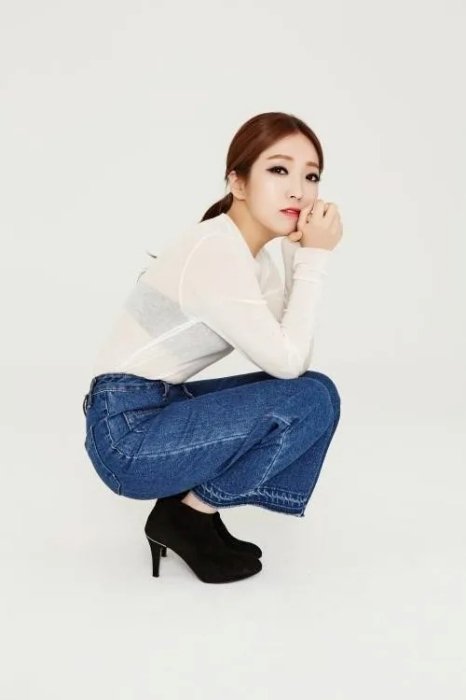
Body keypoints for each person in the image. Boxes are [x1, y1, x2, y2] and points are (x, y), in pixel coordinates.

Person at [82, 111, 344, 584]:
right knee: (310, 397)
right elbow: (288, 367)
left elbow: (293, 356)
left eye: (311, 176)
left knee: (316, 391)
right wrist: (316, 258)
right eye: (278, 170)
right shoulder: (215, 251)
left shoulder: (253, 261)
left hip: (156, 409)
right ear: (237, 182)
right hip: (127, 435)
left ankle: (194, 514)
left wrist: (295, 253)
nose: (299, 191)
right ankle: (189, 516)